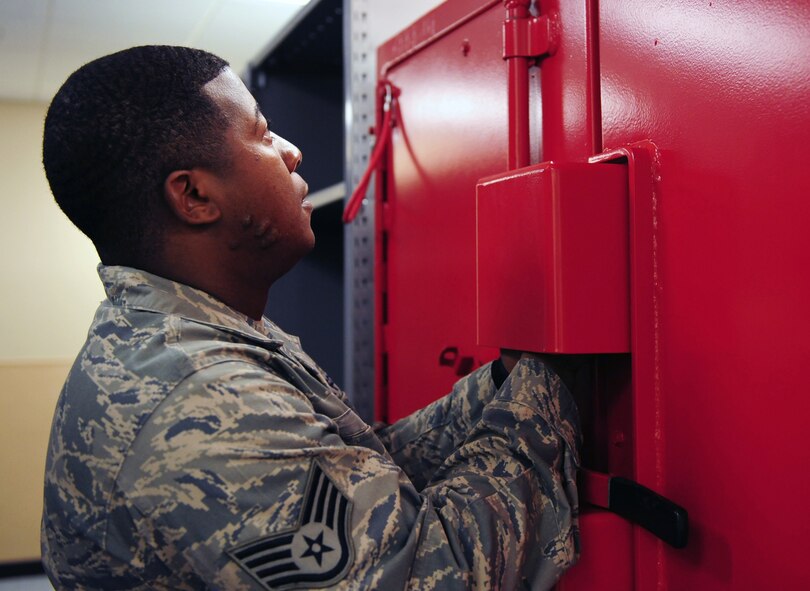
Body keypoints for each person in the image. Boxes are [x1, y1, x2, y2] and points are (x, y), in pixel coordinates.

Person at [40, 46, 581, 590]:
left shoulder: (199, 334)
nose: (292, 151)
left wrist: (506, 383)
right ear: (195, 195)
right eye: (261, 133)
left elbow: (355, 472)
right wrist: (551, 377)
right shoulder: (199, 397)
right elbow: (432, 574)